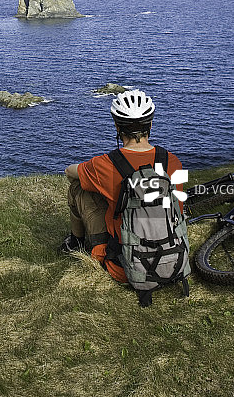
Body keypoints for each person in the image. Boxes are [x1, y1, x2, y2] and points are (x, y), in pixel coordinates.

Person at [62, 89, 184, 284]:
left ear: (117, 127)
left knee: (78, 186)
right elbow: (179, 207)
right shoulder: (172, 161)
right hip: (172, 260)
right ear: (150, 124)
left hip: (125, 267)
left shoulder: (106, 164)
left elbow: (69, 172)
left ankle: (75, 243)